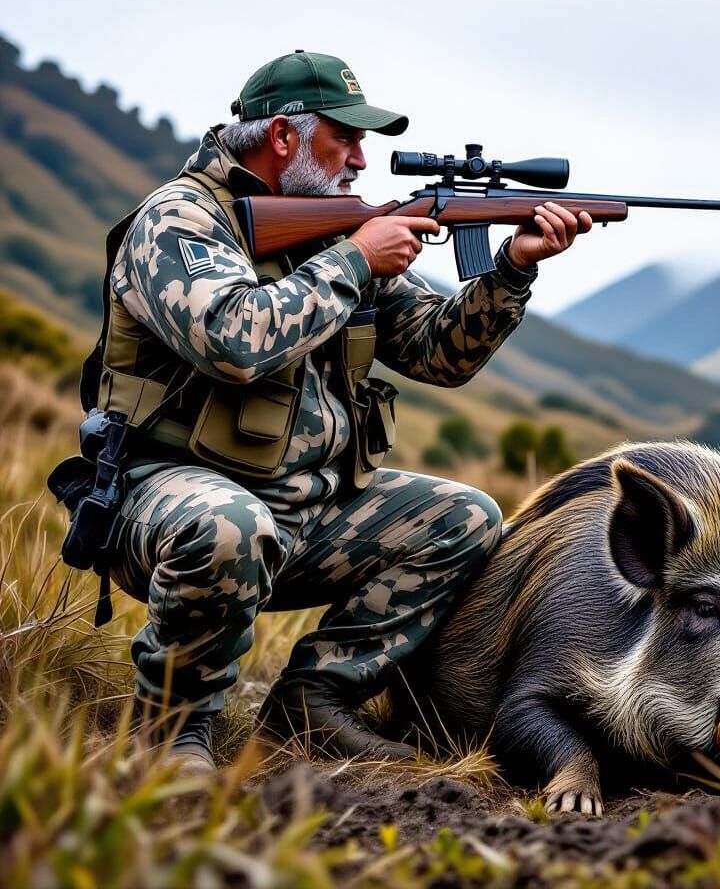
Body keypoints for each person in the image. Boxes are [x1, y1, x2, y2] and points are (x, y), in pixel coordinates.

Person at [94, 50, 592, 771]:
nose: (363, 157)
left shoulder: (331, 232)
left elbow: (437, 354)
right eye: (346, 138)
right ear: (285, 138)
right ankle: (173, 733)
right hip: (167, 500)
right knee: (232, 526)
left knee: (468, 519)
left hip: (305, 508)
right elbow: (232, 340)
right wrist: (356, 258)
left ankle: (311, 707)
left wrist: (511, 270)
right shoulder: (180, 219)